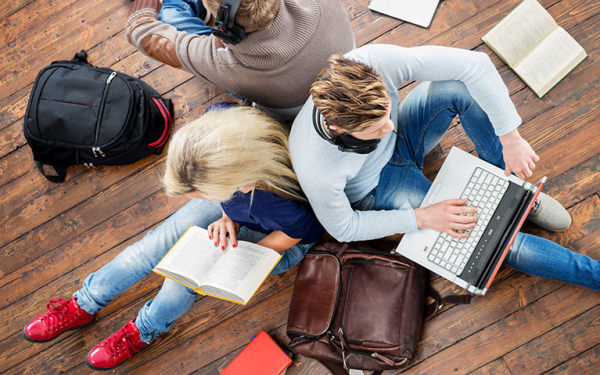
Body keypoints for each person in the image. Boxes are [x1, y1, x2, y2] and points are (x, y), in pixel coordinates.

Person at [22, 106, 325, 370]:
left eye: (201, 195)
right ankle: (83, 304)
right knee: (152, 247)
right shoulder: (215, 135)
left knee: (181, 279)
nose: (199, 200)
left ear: (234, 184)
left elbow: (299, 233)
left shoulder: (277, 203)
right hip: (237, 210)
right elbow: (221, 198)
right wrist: (225, 215)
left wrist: (238, 256)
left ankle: (145, 329)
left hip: (277, 242)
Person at [289, 44, 600, 291]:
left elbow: (474, 65)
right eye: (375, 128)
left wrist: (511, 137)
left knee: (457, 86)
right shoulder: (316, 167)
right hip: (378, 186)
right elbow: (344, 227)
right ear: (338, 129)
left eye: (387, 112)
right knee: (493, 239)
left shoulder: (371, 63)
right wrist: (422, 218)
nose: (389, 126)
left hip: (406, 146)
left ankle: (513, 187)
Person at [124, 0, 354, 121]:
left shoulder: (228, 63)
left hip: (294, 111)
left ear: (224, 25)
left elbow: (143, 33)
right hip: (345, 64)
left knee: (171, 11)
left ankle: (199, 12)